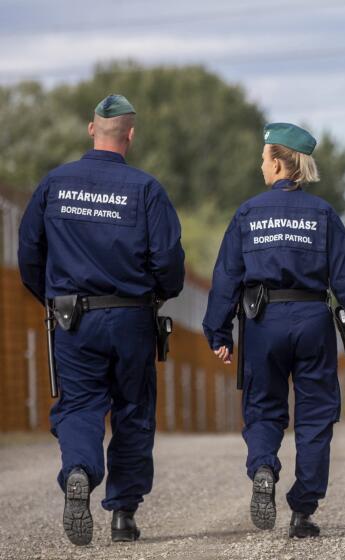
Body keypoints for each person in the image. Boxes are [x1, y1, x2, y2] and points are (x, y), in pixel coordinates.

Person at [18, 94, 185, 545]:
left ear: (91, 129)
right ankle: (123, 515)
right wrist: (159, 293)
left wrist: (51, 299)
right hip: (132, 318)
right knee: (133, 410)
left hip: (73, 318)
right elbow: (168, 260)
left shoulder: (55, 184)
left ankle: (78, 471)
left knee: (79, 405)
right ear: (130, 135)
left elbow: (29, 253)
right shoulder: (147, 189)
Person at [202, 122, 345, 538]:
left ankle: (263, 465)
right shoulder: (323, 214)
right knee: (315, 416)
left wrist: (218, 333)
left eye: (264, 159)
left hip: (263, 322)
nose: (261, 166)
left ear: (279, 163)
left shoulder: (247, 212)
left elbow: (226, 278)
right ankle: (302, 510)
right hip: (313, 320)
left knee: (264, 406)